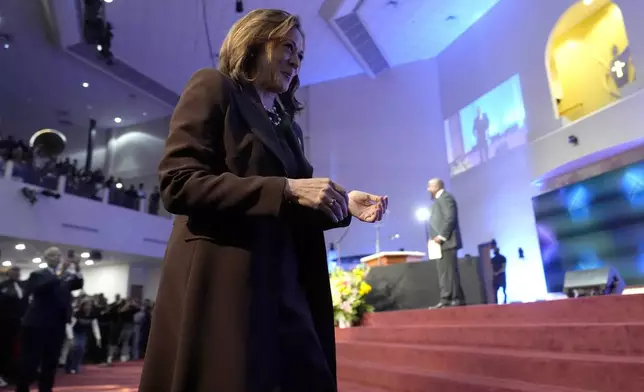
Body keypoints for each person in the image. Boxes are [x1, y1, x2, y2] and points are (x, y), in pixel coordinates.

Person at [138, 9, 388, 392]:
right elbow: (178, 183)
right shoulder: (213, 87)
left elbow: (297, 202)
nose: (295, 60)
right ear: (254, 42)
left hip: (285, 283)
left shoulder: (288, 127)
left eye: (301, 55)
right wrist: (284, 189)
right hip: (226, 284)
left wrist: (343, 203)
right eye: (287, 46)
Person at [15, 247, 83, 392]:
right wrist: (60, 273)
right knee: (31, 360)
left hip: (57, 325)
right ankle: (22, 388)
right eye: (53, 256)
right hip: (37, 324)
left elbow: (78, 284)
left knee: (51, 361)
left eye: (59, 255)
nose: (57, 258)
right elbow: (41, 288)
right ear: (46, 259)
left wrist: (77, 267)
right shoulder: (37, 274)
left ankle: (45, 388)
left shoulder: (64, 277)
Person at [427, 178, 465, 308]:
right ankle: (449, 298)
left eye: (430, 186)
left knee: (449, 271)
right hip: (440, 244)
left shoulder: (446, 197)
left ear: (437, 187)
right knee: (444, 272)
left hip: (447, 242)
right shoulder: (438, 200)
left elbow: (450, 218)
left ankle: (452, 299)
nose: (428, 189)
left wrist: (441, 236)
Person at [0, 267, 28, 387]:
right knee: (4, 349)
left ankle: (16, 374)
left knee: (19, 349)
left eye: (18, 272)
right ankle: (3, 374)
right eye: (14, 272)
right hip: (4, 323)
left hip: (21, 323)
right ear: (8, 274)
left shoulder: (23, 286)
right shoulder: (2, 286)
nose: (16, 274)